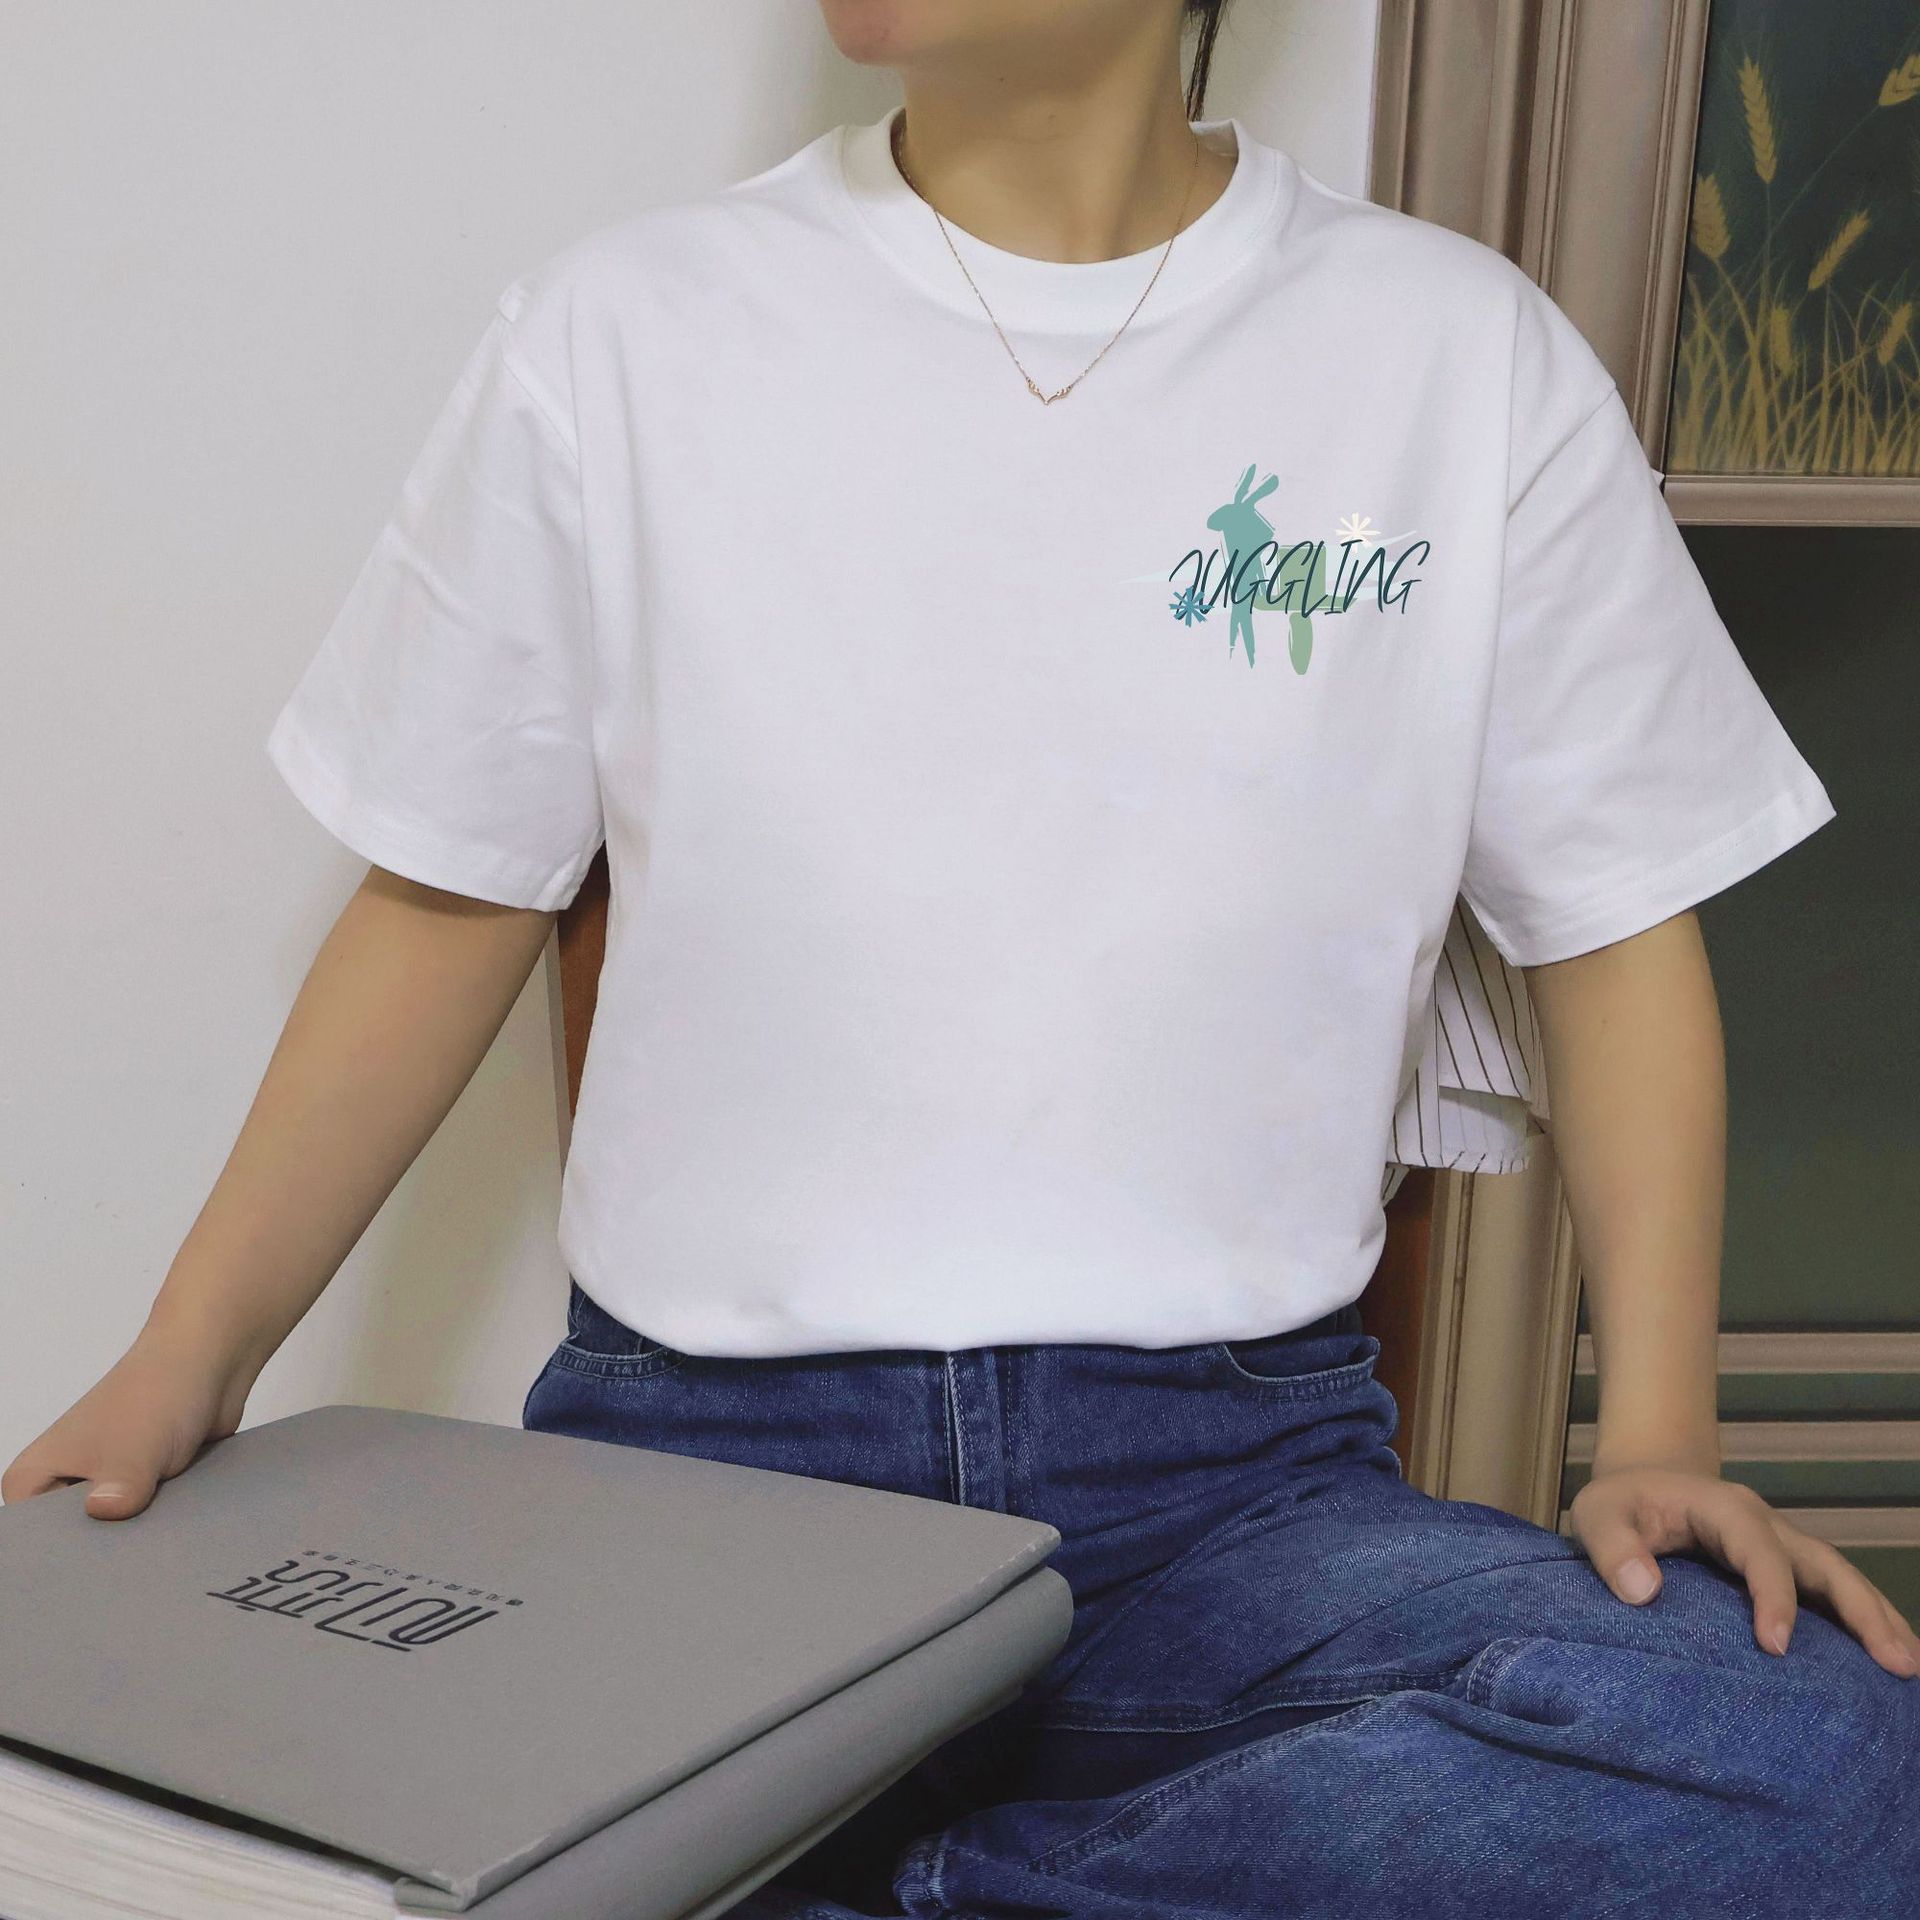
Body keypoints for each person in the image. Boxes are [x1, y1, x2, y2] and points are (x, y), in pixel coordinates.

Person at [6, 2, 1917, 1913]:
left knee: (1828, 1761)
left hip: (1235, 1511)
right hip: (700, 1494)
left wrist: (1659, 1432)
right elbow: (450, 897)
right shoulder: (622, 331)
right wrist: (189, 1354)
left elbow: (1614, 931)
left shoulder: (1457, 354)